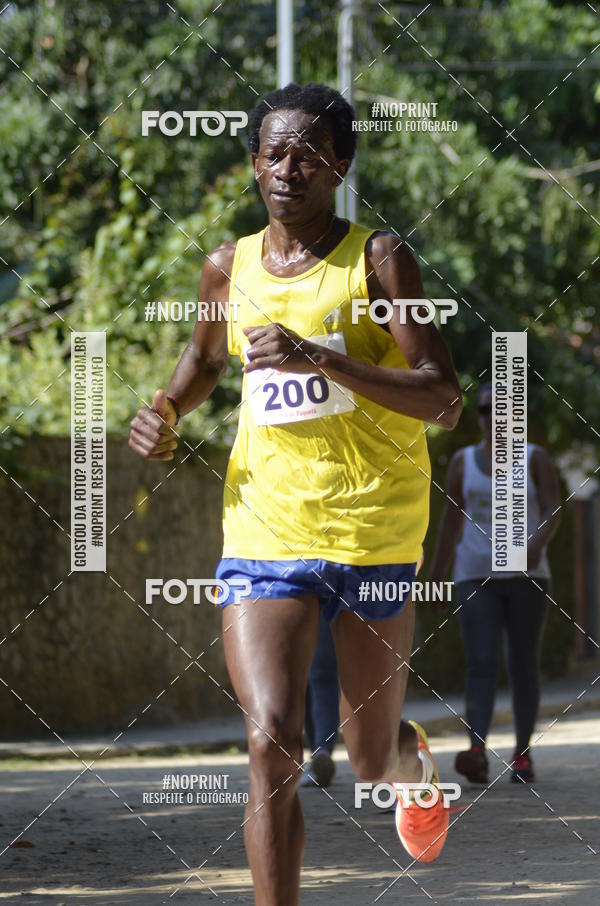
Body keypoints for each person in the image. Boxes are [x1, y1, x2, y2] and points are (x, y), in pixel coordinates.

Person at [129, 82, 463, 905]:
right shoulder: (226, 266)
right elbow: (207, 362)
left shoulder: (379, 258)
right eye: (274, 153)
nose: (288, 169)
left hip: (373, 530)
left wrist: (325, 356)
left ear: (339, 167)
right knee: (271, 739)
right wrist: (167, 408)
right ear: (252, 163)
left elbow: (445, 397)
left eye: (308, 155)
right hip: (266, 527)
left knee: (369, 759)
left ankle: (414, 771)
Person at [429, 381, 561, 785]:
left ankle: (522, 755)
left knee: (522, 665)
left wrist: (537, 542)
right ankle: (476, 752)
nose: (493, 418)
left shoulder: (534, 457)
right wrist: (436, 574)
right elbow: (451, 521)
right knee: (481, 662)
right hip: (474, 575)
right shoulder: (462, 462)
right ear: (479, 417)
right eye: (486, 410)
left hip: (527, 578)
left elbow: (554, 507)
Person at [300, 608, 339, 788]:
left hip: (291, 591)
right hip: (332, 590)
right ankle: (321, 750)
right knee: (322, 676)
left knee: (304, 677)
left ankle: (317, 754)